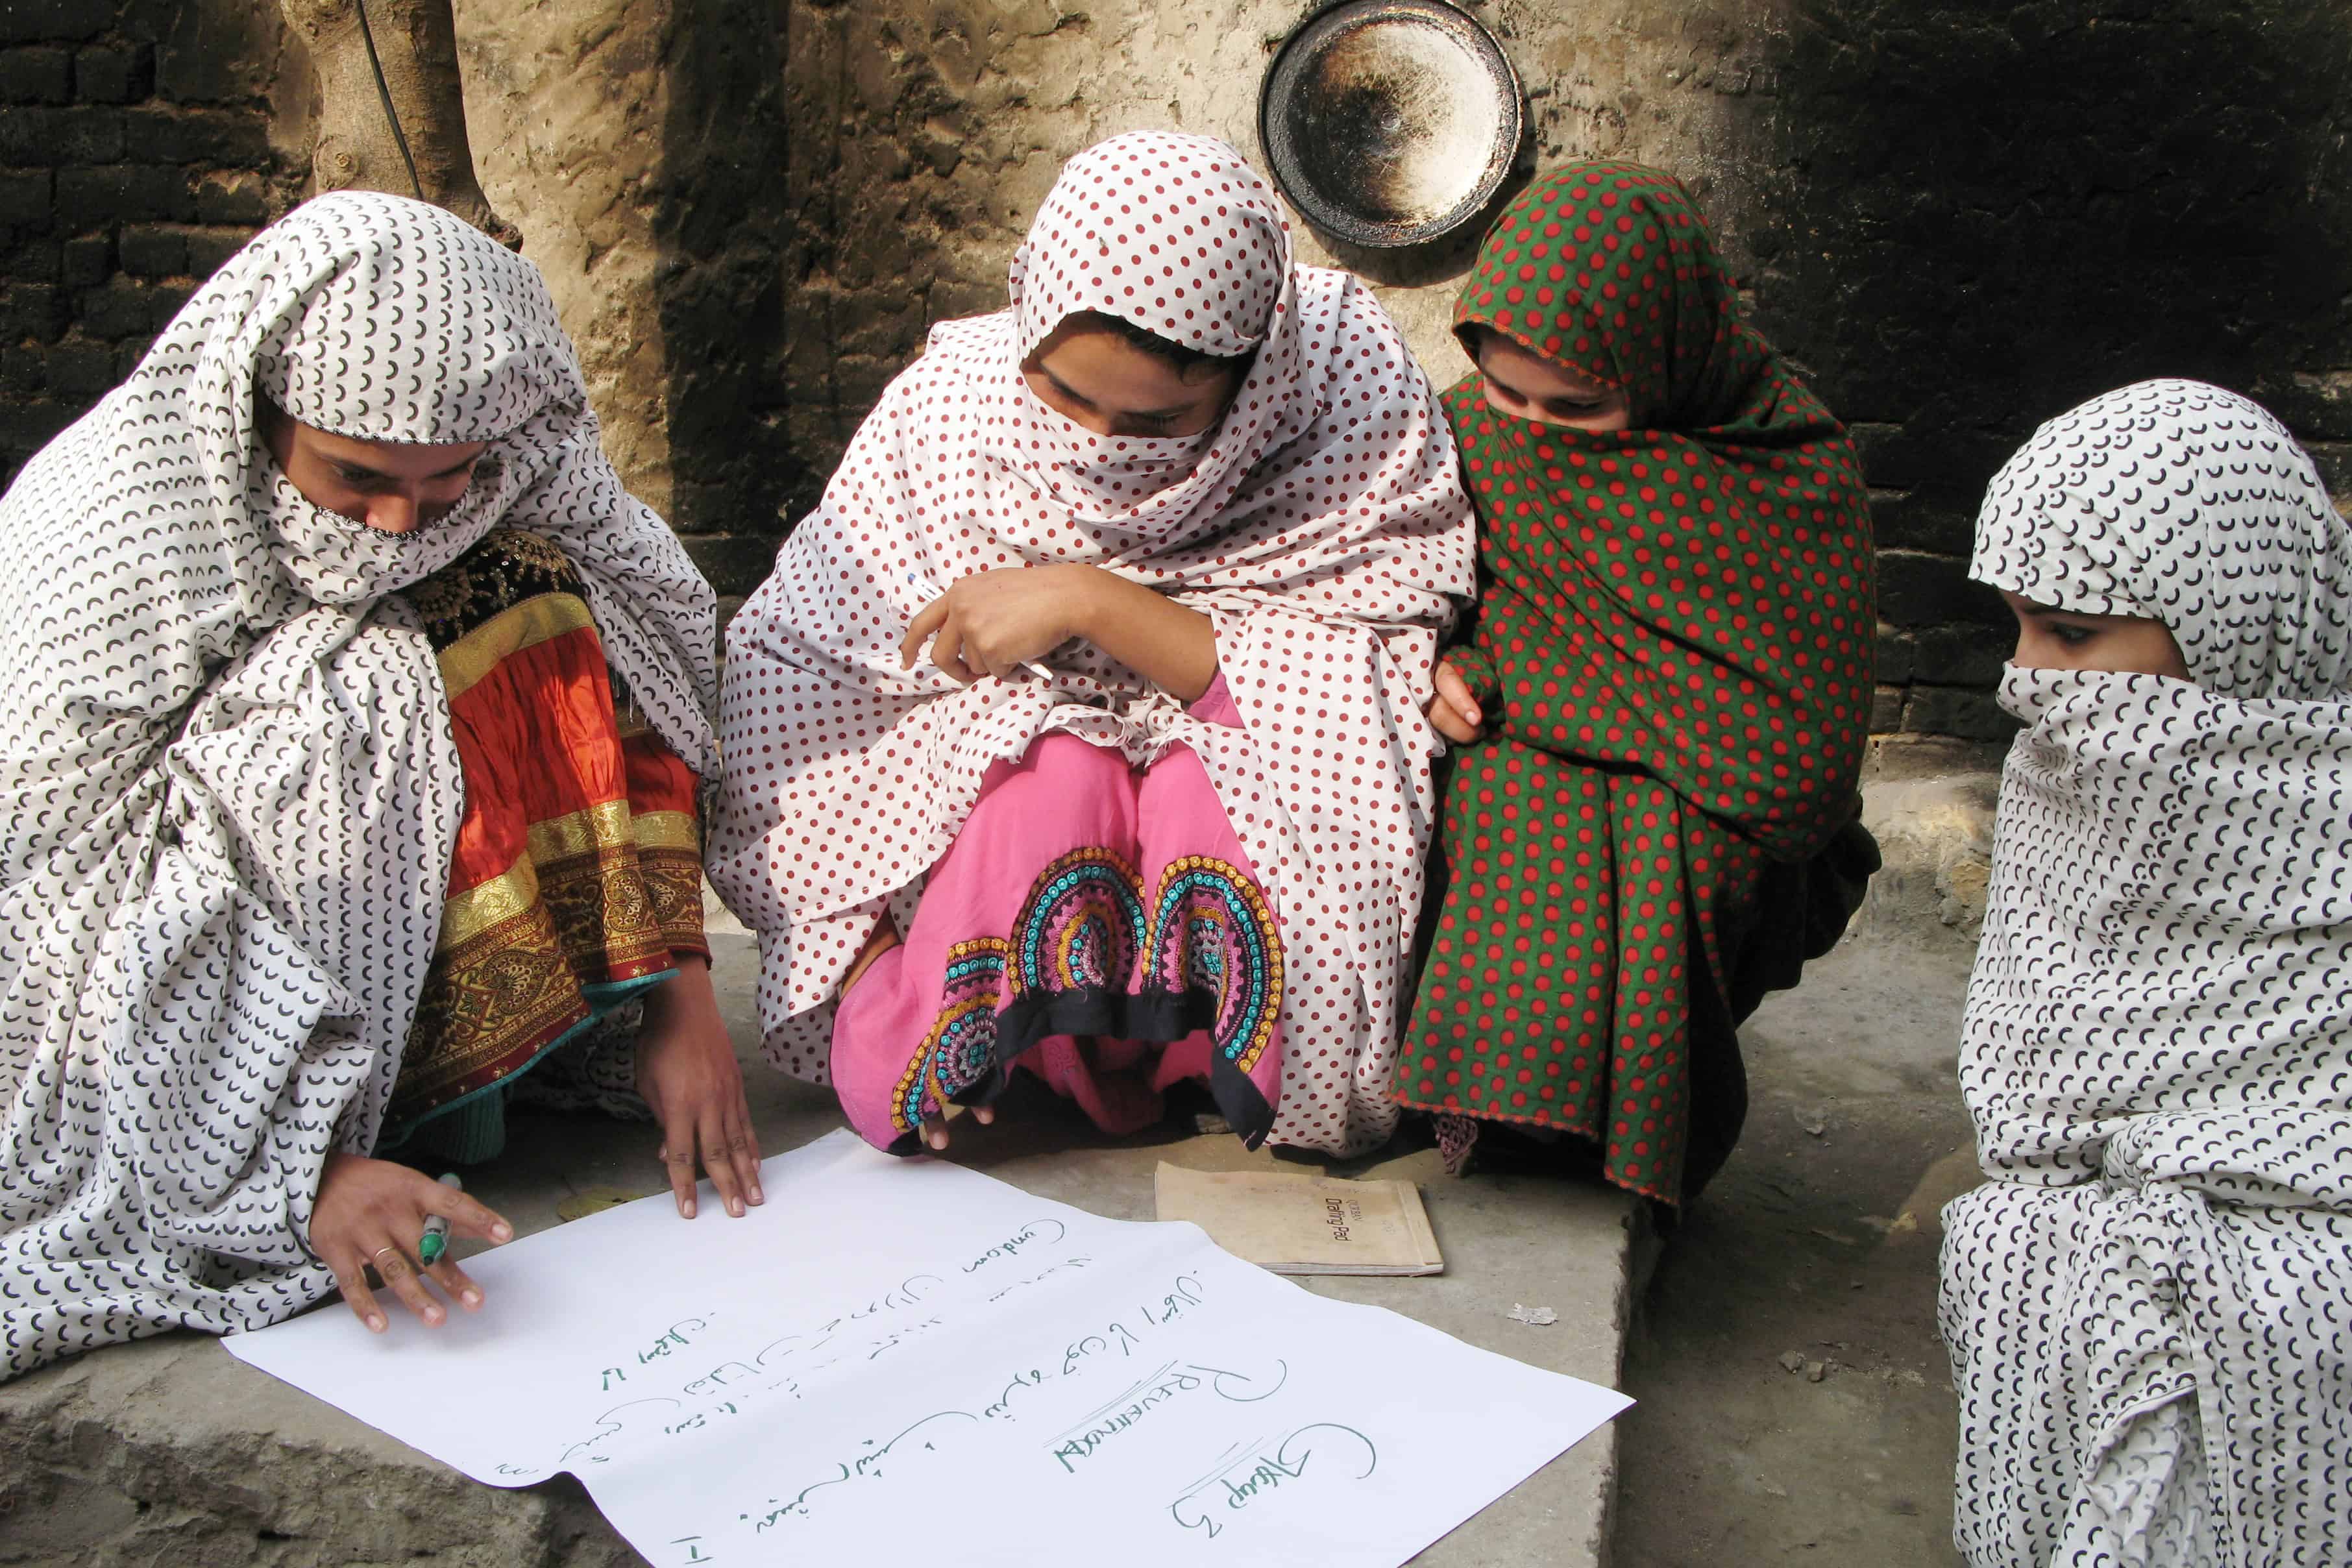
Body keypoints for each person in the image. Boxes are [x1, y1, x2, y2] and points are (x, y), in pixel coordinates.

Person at [0, 191, 753, 1382]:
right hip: (208, 1028)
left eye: (446, 481)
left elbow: (661, 644)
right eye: (354, 481)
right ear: (260, 414)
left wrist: (685, 988)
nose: (399, 526)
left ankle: (478, 1072)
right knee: (354, 697)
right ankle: (349, 1131)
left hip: (397, 943)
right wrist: (294, 1169)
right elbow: (52, 890)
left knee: (543, 589)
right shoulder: (104, 539)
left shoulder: (518, 461)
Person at [707, 131, 1475, 1159]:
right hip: (1001, 757)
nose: (1101, 445)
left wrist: (1087, 600)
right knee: (1050, 780)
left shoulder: (1338, 392)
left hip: (1240, 722)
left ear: (1249, 382)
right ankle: (990, 1045)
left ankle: (1201, 1055)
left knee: (1226, 784)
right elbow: (802, 672)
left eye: (1158, 418)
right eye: (1065, 397)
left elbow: (1361, 662)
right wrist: (858, 955)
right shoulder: (947, 419)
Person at [1397, 162, 1878, 1203]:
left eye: (1579, 407)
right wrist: (1444, 664)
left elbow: (1796, 763)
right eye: (1501, 386)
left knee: (1662, 845)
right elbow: (1419, 594)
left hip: (1721, 802)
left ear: (1664, 360)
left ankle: (1601, 1128)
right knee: (1500, 797)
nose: (1528, 425)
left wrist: (1520, 680)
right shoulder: (1467, 434)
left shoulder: (1785, 471)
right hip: (1519, 742)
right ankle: (1481, 1104)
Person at [1939, 379, 2352, 1565]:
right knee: (2022, 1253)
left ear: (2228, 618)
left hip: (2299, 1247)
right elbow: (2033, 1107)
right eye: (2014, 628)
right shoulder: (2063, 777)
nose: (2027, 679)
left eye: (2071, 635)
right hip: (2078, 1213)